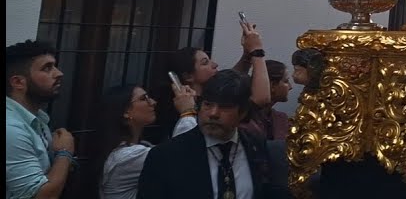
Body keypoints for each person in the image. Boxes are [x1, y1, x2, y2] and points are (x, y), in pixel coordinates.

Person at [137, 69, 286, 199]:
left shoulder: (255, 146)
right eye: (208, 105)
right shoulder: (166, 156)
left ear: (242, 112)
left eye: (225, 107)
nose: (213, 114)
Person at [95, 84, 193, 199]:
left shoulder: (142, 146)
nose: (153, 102)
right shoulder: (126, 157)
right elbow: (181, 155)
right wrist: (187, 112)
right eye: (143, 99)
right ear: (126, 112)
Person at [5, 40, 76, 199]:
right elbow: (40, 196)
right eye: (47, 68)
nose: (58, 73)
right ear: (18, 82)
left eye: (54, 66)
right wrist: (64, 153)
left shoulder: (37, 119)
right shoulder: (11, 129)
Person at [241, 61, 291, 142]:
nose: (290, 87)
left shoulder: (281, 119)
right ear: (272, 85)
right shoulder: (244, 118)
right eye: (286, 81)